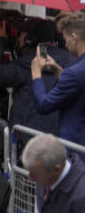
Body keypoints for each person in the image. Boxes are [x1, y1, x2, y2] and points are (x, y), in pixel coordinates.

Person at [30, 12, 85, 145]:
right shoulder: (76, 71)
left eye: (65, 39)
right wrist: (57, 69)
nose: (64, 44)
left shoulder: (74, 73)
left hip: (76, 146)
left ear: (74, 37)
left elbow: (44, 105)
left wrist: (36, 73)